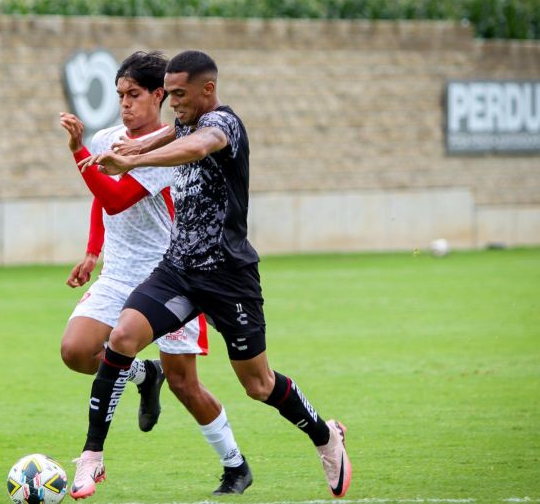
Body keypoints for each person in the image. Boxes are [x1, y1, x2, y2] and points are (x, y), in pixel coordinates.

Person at [72, 50, 352, 500]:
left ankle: (325, 435)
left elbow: (196, 146)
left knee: (258, 384)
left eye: (179, 94)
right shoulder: (182, 121)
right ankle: (92, 457)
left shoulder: (224, 125)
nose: (172, 102)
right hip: (178, 269)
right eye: (169, 92)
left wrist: (134, 161)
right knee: (122, 337)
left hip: (228, 276)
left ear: (208, 89)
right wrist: (134, 147)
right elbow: (169, 133)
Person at [59, 51, 252, 499]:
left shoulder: (167, 153)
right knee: (76, 351)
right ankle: (144, 377)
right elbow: (98, 194)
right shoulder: (110, 137)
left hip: (169, 275)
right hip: (119, 272)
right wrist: (92, 251)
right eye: (120, 95)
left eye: (134, 95)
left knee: (186, 383)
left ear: (159, 95)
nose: (124, 104)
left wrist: (77, 151)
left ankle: (235, 465)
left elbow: (115, 198)